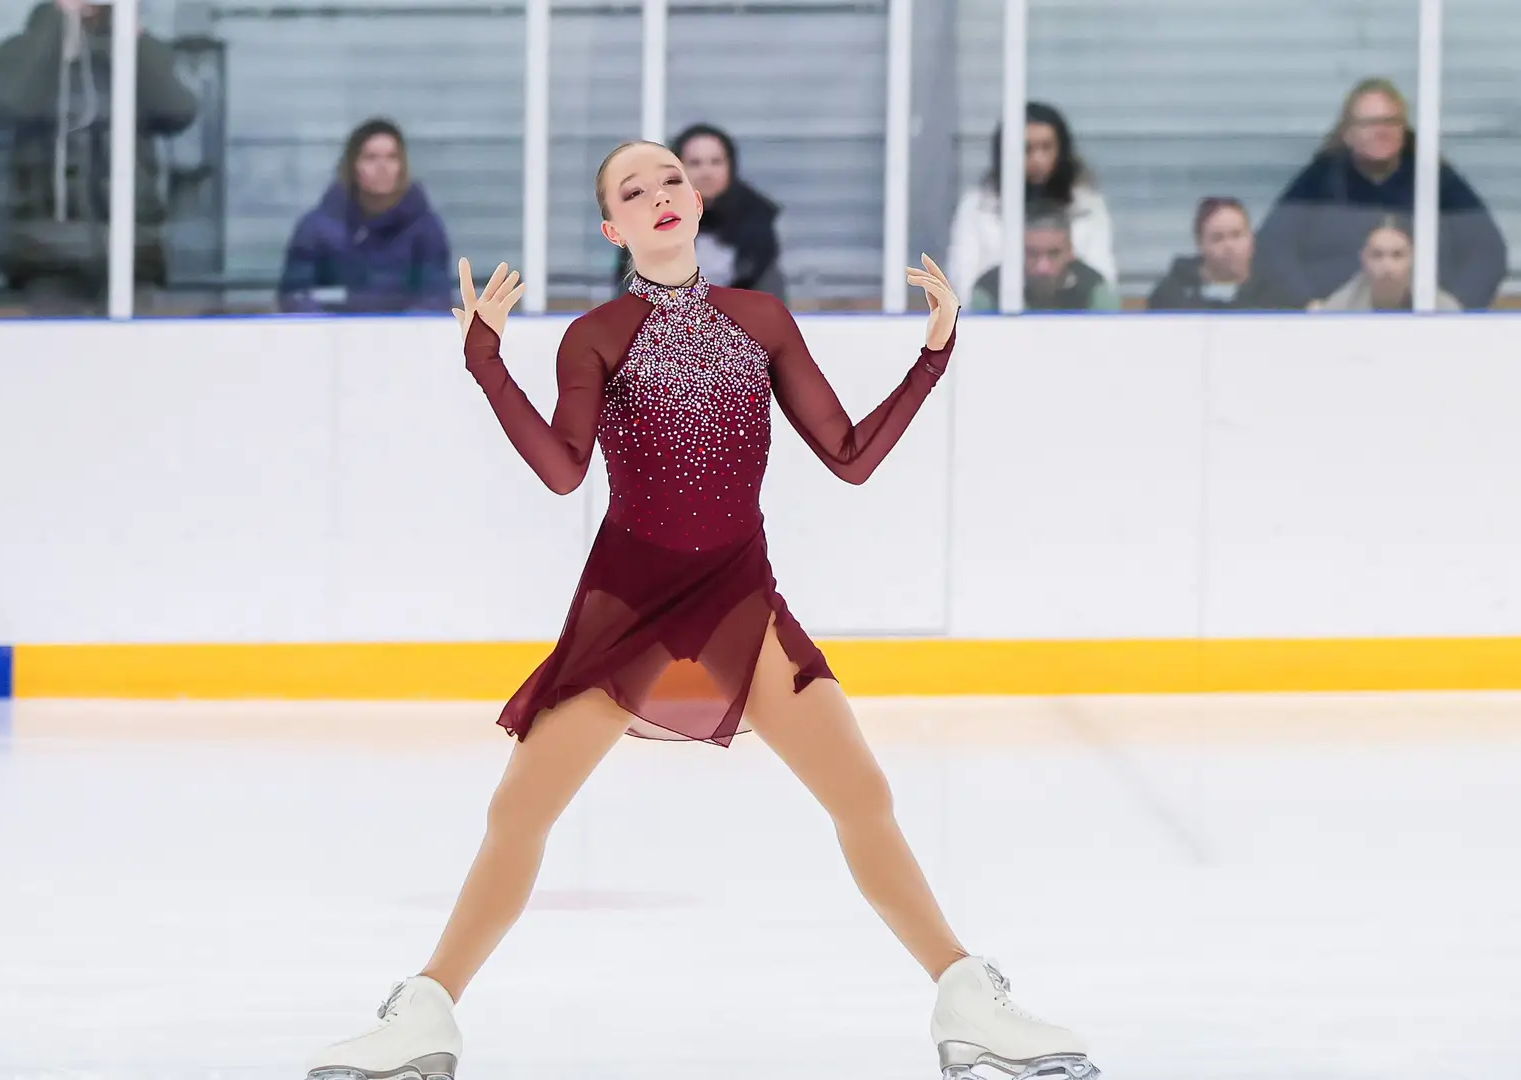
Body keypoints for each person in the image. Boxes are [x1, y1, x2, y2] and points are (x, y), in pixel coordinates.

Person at [301, 140, 1100, 1080]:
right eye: (633, 191)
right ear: (614, 228)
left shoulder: (761, 320)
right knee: (519, 811)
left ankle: (967, 1001)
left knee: (863, 796)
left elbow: (848, 455)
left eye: (671, 179)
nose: (659, 196)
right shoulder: (595, 335)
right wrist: (486, 361)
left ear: (698, 200)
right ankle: (425, 1013)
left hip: (738, 601)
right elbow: (564, 474)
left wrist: (932, 355)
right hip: (628, 607)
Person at [0, 0, 199, 315]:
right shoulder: (23, 49)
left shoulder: (137, 50)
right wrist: (59, 22)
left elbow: (178, 111)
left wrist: (132, 36)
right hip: (49, 250)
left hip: (134, 248)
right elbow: (14, 103)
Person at [1253, 77, 1506, 309]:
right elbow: (1272, 248)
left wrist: (1454, 308)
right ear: (1348, 134)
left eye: (1390, 122)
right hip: (1337, 328)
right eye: (1369, 123)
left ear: (1403, 131)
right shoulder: (1320, 181)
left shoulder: (1434, 180)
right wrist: (1307, 304)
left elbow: (1488, 252)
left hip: (1423, 328)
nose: (1381, 130)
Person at [277, 118, 454, 314]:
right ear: (353, 165)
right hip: (333, 339)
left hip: (403, 340)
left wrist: (399, 332)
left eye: (392, 157)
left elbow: (435, 297)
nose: (382, 167)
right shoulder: (317, 228)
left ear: (402, 166)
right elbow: (296, 295)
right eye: (371, 158)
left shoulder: (425, 228)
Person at [947, 101, 1116, 291]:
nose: (1038, 160)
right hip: (994, 315)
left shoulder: (1087, 204)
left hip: (1071, 316)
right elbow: (964, 278)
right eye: (1027, 149)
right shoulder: (977, 205)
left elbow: (1102, 279)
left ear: (1061, 151)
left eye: (1046, 148)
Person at [612, 122, 784, 298]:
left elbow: (770, 296)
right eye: (695, 163)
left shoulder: (756, 220)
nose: (706, 172)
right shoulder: (649, 218)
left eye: (715, 162)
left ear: (730, 166)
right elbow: (628, 293)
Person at [1146, 196, 1297, 311]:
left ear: (1251, 239)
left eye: (1237, 235)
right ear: (1201, 244)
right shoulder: (1172, 295)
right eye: (1218, 238)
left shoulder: (1278, 294)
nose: (1229, 246)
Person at [968, 203, 1118, 313]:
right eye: (1032, 253)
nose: (1042, 267)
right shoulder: (989, 288)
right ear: (1016, 252)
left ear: (1070, 252)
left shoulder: (1094, 288)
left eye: (1054, 254)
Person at [1312, 214, 1462, 312]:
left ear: (1412, 258)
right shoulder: (1339, 309)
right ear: (1364, 259)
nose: (1387, 265)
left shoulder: (1441, 308)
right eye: (1377, 255)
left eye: (1397, 255)